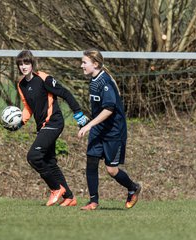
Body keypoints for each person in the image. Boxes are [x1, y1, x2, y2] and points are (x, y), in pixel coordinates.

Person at [4, 50, 89, 207]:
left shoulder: (44, 79)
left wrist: (78, 114)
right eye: (21, 64)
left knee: (34, 156)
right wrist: (19, 124)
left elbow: (65, 93)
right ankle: (69, 197)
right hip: (42, 126)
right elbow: (28, 107)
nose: (23, 66)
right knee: (49, 162)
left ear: (32, 64)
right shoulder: (21, 85)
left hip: (54, 122)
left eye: (26, 63)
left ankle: (55, 188)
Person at [78, 48, 141, 210]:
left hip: (114, 132)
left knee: (111, 170)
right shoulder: (93, 80)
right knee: (91, 162)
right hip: (99, 130)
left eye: (84, 62)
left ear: (95, 64)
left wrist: (90, 124)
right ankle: (93, 201)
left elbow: (109, 109)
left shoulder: (104, 82)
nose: (81, 65)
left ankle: (133, 188)